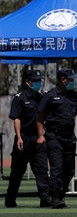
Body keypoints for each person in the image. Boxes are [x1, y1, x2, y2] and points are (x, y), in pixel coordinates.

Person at [37, 68, 77, 209]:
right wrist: (41, 135)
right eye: (71, 79)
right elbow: (40, 116)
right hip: (54, 136)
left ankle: (58, 193)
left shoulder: (74, 96)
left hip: (69, 137)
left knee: (69, 169)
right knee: (57, 168)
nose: (73, 82)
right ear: (63, 80)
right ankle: (56, 198)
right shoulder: (50, 96)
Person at [5, 70, 51, 208]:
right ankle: (10, 199)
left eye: (39, 81)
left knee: (41, 169)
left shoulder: (42, 98)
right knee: (18, 171)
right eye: (36, 81)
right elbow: (16, 119)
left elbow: (44, 117)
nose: (38, 83)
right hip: (23, 138)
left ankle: (45, 199)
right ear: (28, 82)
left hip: (38, 138)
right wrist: (19, 137)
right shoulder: (20, 98)